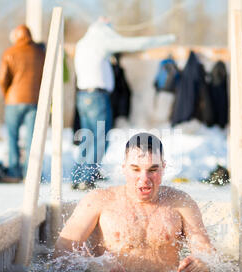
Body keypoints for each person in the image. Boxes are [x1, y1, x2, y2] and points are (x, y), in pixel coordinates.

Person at [54, 133, 215, 272]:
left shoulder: (180, 203)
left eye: (153, 169)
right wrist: (91, 264)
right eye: (135, 169)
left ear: (163, 168)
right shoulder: (98, 201)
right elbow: (60, 253)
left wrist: (202, 262)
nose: (144, 179)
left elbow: (206, 250)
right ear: (124, 168)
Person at [72, 17, 176, 190]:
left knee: (87, 138)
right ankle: (87, 177)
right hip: (97, 96)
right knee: (99, 138)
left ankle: (79, 176)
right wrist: (168, 39)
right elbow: (135, 44)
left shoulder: (83, 43)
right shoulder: (101, 40)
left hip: (83, 95)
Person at [0, 25, 46, 181]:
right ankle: (30, 173)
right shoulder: (40, 53)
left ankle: (14, 172)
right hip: (34, 100)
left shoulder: (10, 52)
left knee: (12, 137)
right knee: (32, 138)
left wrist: (7, 94)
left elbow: (2, 79)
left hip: (13, 101)